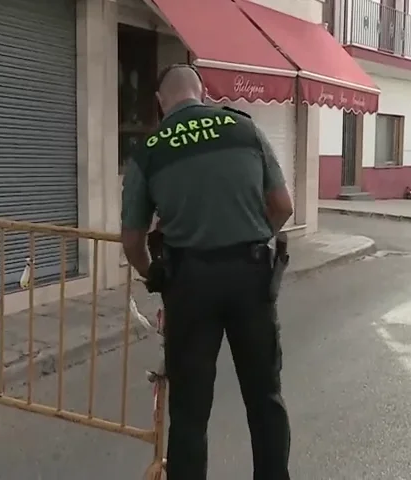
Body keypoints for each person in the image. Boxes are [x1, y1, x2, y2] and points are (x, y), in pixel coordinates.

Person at [120, 63, 295, 480]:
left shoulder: (149, 151)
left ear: (161, 103)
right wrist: (251, 239)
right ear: (202, 93)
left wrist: (155, 274)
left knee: (190, 412)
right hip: (250, 280)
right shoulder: (244, 130)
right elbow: (284, 206)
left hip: (189, 285)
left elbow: (132, 240)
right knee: (265, 398)